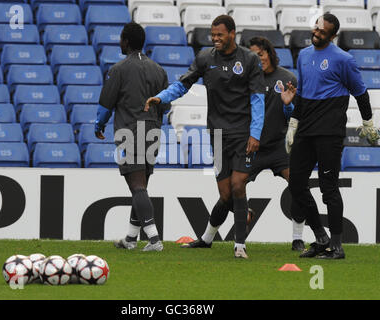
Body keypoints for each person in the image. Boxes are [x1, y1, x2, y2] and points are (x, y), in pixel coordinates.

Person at [145, 15, 265, 259]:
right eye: (213, 35)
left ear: (232, 33)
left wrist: (255, 133)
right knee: (225, 194)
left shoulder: (249, 60)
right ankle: (209, 238)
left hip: (243, 134)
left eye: (220, 35)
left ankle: (239, 245)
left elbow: (257, 99)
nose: (215, 39)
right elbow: (183, 84)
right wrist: (162, 97)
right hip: (218, 134)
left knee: (238, 185)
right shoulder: (205, 58)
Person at [286, 13, 380, 259]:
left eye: (323, 33)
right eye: (316, 29)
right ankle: (321, 238)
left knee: (329, 188)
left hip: (329, 132)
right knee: (296, 184)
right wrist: (293, 124)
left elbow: (360, 93)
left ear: (333, 36)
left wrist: (368, 122)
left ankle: (337, 246)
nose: (316, 34)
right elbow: (303, 94)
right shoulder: (304, 55)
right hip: (305, 129)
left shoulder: (344, 60)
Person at [94, 22, 170, 252]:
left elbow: (106, 102)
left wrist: (99, 125)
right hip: (154, 131)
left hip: (130, 130)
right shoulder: (159, 70)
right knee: (141, 186)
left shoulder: (119, 69)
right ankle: (130, 238)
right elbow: (165, 106)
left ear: (125, 41)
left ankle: (154, 239)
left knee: (137, 186)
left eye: (121, 38)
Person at [247, 36, 306, 251]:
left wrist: (288, 106)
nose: (257, 59)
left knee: (298, 186)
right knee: (230, 190)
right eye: (252, 56)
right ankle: (207, 238)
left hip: (279, 147)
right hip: (252, 146)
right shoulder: (248, 79)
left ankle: (298, 238)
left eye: (260, 54)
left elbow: (295, 115)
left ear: (269, 53)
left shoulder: (287, 78)